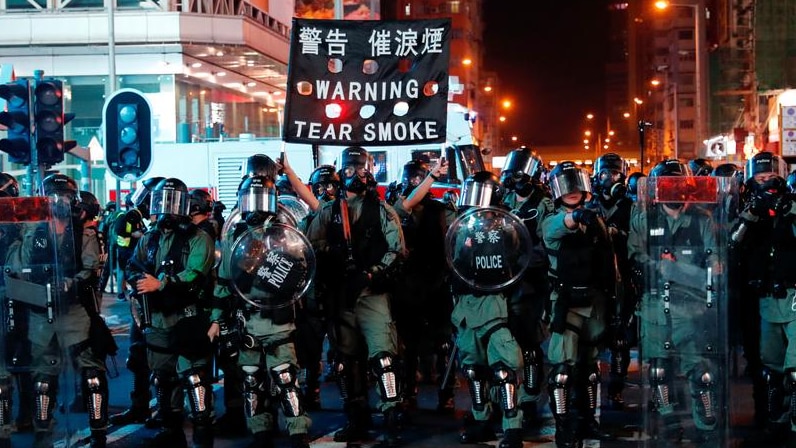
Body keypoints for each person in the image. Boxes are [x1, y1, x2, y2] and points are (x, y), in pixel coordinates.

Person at [304, 146, 407, 446]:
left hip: (372, 293)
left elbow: (397, 250)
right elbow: (311, 246)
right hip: (340, 294)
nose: (355, 175)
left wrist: (373, 272)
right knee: (346, 362)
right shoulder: (329, 211)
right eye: (349, 170)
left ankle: (391, 417)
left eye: (361, 169)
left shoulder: (382, 209)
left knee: (384, 357)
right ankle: (356, 417)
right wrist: (331, 253)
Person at [4, 174, 109, 448]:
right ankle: (43, 432)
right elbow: (20, 264)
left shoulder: (83, 233)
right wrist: (30, 234)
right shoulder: (33, 229)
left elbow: (91, 270)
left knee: (92, 374)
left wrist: (71, 283)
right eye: (54, 197)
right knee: (43, 378)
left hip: (74, 312)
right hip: (41, 311)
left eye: (64, 197)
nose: (59, 202)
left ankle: (98, 428)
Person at [214, 171, 314, 448]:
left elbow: (299, 272)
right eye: (250, 198)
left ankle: (297, 430)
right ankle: (260, 430)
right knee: (250, 378)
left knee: (285, 377)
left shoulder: (285, 233)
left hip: (276, 316)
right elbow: (224, 281)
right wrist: (217, 318)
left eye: (260, 199)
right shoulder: (234, 233)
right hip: (246, 317)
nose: (255, 206)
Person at [628, 159, 724, 446]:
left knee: (702, 372)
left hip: (691, 305)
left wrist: (684, 272)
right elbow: (634, 255)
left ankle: (706, 425)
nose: (673, 190)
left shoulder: (701, 218)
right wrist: (659, 268)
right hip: (656, 302)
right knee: (658, 369)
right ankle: (669, 421)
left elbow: (715, 263)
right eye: (667, 184)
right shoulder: (645, 218)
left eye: (677, 183)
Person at [125, 177, 216, 448]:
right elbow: (134, 265)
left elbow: (195, 273)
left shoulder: (199, 237)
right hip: (158, 318)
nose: (166, 209)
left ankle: (202, 433)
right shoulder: (151, 237)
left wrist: (160, 283)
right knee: (163, 378)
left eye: (172, 202)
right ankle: (170, 429)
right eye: (162, 201)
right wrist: (136, 282)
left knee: (194, 377)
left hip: (189, 316)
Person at [446, 170, 525, 448]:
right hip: (467, 304)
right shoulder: (463, 227)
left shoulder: (506, 228)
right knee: (473, 370)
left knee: (504, 369)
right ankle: (482, 420)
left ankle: (512, 426)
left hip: (495, 303)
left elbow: (516, 258)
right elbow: (456, 262)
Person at [542, 161, 617, 448]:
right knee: (563, 372)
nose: (572, 191)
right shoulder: (552, 220)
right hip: (566, 303)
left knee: (590, 368)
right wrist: (578, 216)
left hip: (594, 301)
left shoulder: (596, 221)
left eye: (576, 184)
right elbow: (562, 226)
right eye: (566, 185)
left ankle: (588, 421)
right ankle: (564, 428)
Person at [730, 152, 796, 445]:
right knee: (765, 367)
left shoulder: (791, 205)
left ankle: (791, 423)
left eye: (771, 179)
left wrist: (788, 210)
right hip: (758, 296)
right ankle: (768, 417)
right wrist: (751, 213)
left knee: (793, 371)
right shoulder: (746, 208)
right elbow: (732, 242)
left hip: (791, 293)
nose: (767, 184)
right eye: (760, 179)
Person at [390, 157, 456, 415]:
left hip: (436, 281)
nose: (413, 183)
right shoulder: (397, 209)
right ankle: (408, 391)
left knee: (443, 343)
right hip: (408, 284)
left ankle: (446, 391)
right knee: (408, 344)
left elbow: (455, 237)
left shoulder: (440, 210)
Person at [499, 147, 553, 428]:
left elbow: (548, 244)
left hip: (530, 282)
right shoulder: (503, 200)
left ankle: (530, 398)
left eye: (520, 173)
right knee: (503, 344)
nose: (514, 178)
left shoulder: (543, 205)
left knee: (529, 343)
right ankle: (505, 399)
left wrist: (523, 258)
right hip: (501, 280)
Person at [109, 177, 165, 429]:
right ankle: (139, 406)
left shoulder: (175, 234)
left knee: (165, 362)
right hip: (142, 302)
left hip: (166, 305)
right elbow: (130, 260)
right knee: (137, 356)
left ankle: (167, 412)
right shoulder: (142, 229)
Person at [586, 153, 635, 411]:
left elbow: (638, 240)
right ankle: (589, 393)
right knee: (592, 336)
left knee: (620, 339)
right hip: (595, 278)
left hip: (623, 278)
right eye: (605, 174)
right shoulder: (589, 206)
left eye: (615, 174)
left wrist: (616, 235)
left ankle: (616, 389)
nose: (609, 179)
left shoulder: (630, 206)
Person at [0, 172, 32, 448]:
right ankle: (14, 417)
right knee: (16, 357)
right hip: (13, 294)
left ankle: (22, 415)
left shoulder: (21, 221)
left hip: (17, 293)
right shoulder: (20, 222)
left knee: (19, 356)